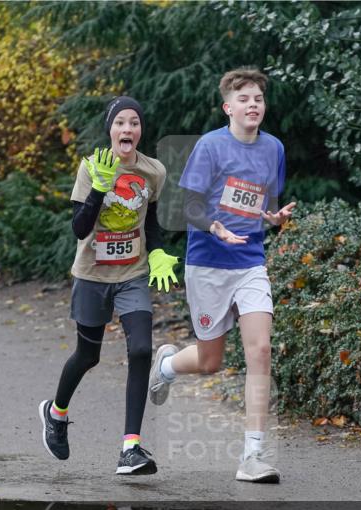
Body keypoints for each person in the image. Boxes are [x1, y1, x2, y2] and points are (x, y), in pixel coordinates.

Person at [147, 68, 295, 483]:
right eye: (244, 98)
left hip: (250, 263)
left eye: (259, 99)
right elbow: (190, 206)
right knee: (210, 361)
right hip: (208, 265)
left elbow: (262, 204)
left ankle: (253, 457)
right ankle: (168, 366)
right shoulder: (210, 147)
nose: (253, 105)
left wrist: (273, 217)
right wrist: (215, 226)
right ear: (228, 107)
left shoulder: (273, 149)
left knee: (260, 350)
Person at [39, 96, 179, 475]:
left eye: (134, 122)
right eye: (120, 123)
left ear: (140, 130)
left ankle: (130, 448)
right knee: (89, 356)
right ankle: (56, 412)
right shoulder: (92, 168)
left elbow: (150, 222)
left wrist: (158, 252)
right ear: (111, 130)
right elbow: (79, 229)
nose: (127, 129)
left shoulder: (153, 171)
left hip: (131, 273)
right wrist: (99, 190)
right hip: (92, 273)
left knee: (141, 350)